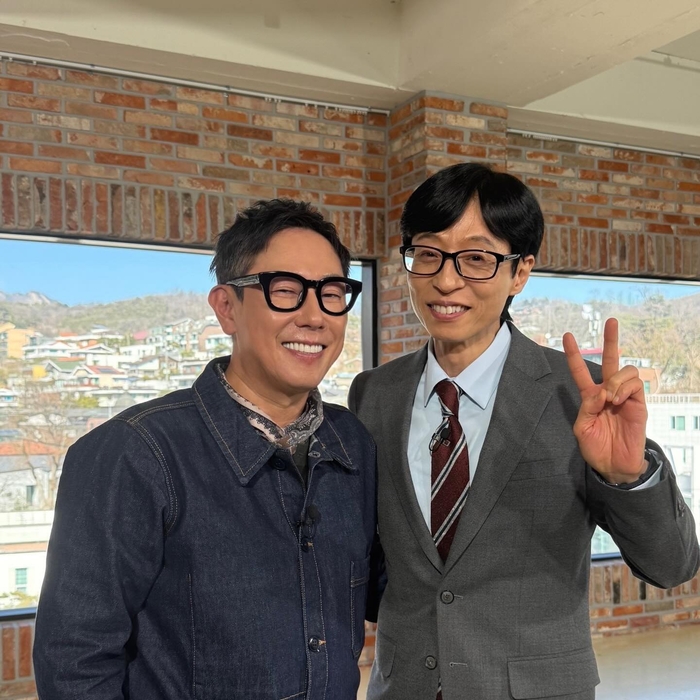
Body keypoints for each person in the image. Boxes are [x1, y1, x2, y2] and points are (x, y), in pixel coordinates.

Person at [349, 163, 700, 700]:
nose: (446, 280)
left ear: (520, 272)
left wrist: (628, 478)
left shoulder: (580, 394)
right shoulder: (374, 394)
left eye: (477, 258)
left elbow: (672, 565)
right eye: (428, 253)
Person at [34, 199, 379, 700]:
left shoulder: (353, 444)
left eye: (332, 294)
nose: (315, 316)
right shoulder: (135, 453)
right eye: (285, 290)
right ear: (226, 308)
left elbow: (389, 591)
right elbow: (75, 661)